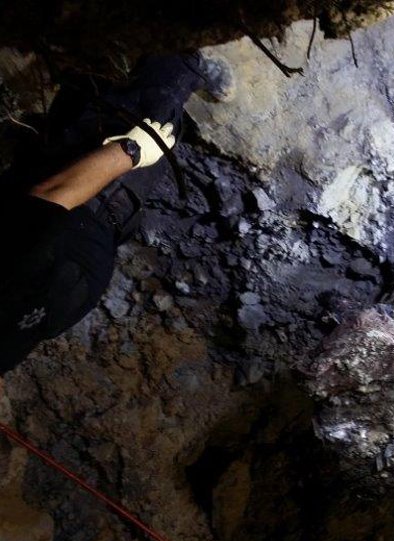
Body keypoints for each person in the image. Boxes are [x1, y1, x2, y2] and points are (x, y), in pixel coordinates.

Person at [0, 53, 234, 377]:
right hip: (91, 222)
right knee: (81, 109)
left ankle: (182, 56)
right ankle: (110, 57)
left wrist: (130, 151)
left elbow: (49, 197)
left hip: (81, 195)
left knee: (151, 117)